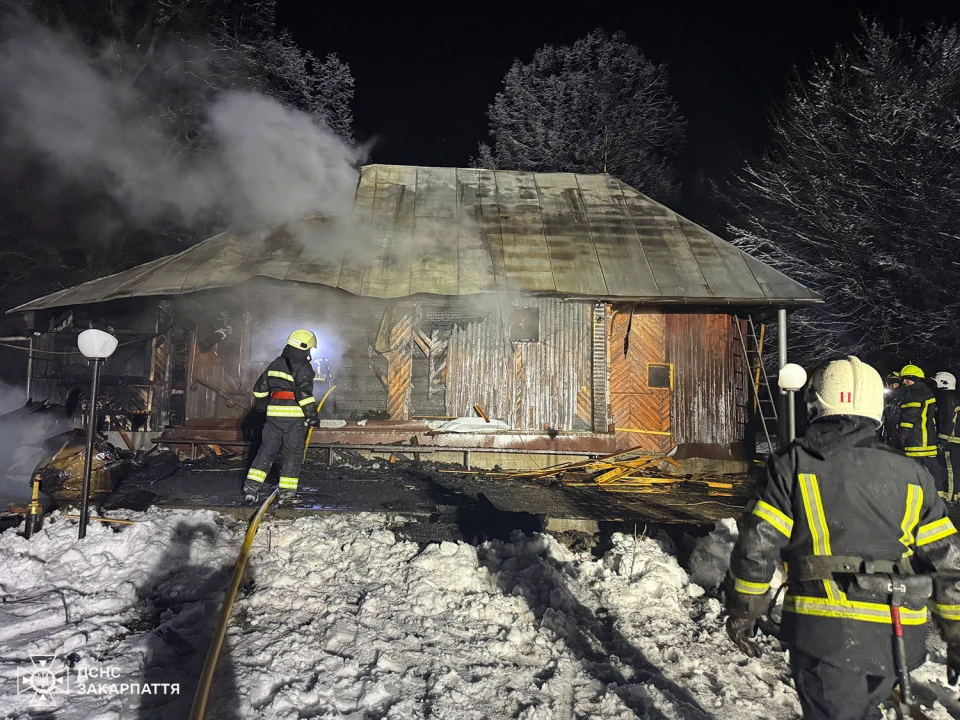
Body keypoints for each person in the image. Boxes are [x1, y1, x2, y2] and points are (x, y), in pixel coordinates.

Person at [725, 356, 960, 720]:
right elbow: (948, 562)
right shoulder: (914, 474)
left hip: (826, 631)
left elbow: (758, 544)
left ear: (816, 404)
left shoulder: (793, 464)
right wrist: (956, 636)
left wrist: (744, 612)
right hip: (898, 637)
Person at [243, 330, 320, 506]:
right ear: (305, 348)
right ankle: (286, 495)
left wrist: (263, 407)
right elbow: (304, 394)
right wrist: (312, 415)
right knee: (292, 455)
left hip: (273, 418)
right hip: (294, 420)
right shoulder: (304, 367)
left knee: (265, 452)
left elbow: (259, 389)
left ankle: (251, 491)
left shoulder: (275, 363)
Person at [895, 364, 947, 493]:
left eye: (908, 379)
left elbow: (910, 414)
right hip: (926, 436)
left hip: (917, 438)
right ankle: (937, 492)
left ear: (916, 379)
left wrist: (902, 434)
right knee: (930, 466)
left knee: (916, 467)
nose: (904, 382)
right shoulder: (925, 391)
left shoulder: (916, 393)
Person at [936, 371, 960, 499]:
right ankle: (955, 494)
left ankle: (950, 496)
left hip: (951, 441)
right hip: (955, 440)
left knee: (950, 469)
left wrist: (942, 440)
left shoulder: (947, 400)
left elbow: (948, 421)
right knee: (956, 469)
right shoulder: (953, 399)